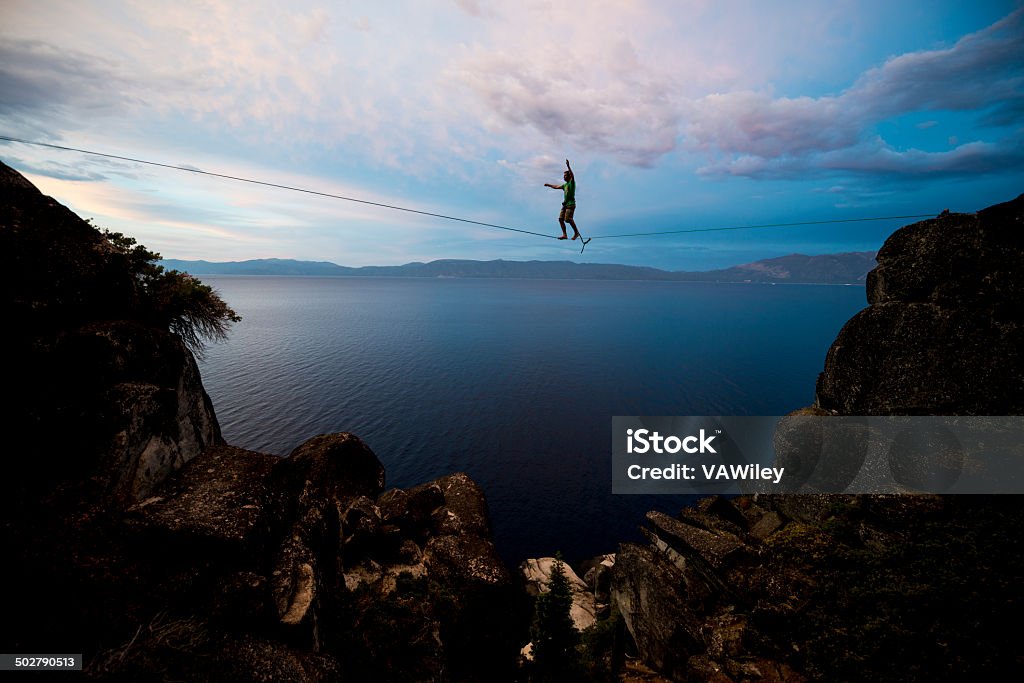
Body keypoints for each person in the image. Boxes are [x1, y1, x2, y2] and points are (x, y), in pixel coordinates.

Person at [544, 159, 581, 240]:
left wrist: (568, 166)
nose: (564, 177)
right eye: (563, 175)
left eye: (565, 175)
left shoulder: (572, 183)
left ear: (569, 176)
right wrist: (548, 185)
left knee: (567, 219)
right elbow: (556, 186)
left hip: (571, 204)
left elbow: (573, 175)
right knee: (561, 219)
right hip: (565, 205)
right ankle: (565, 235)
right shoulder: (565, 185)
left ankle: (576, 233)